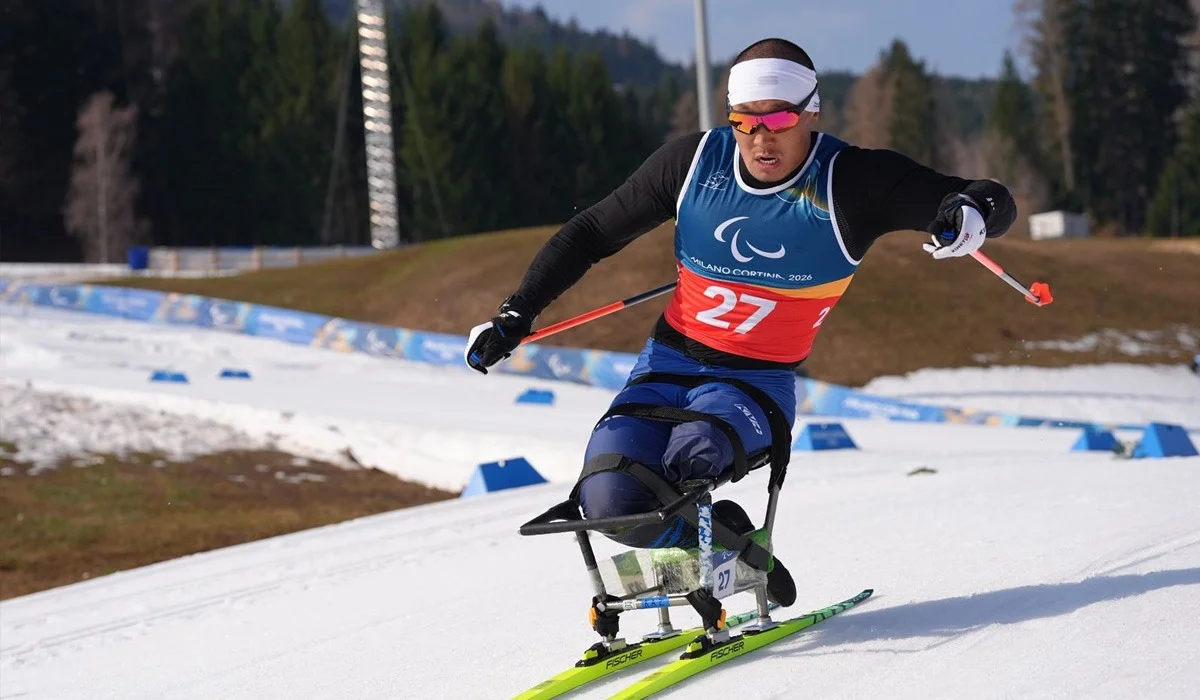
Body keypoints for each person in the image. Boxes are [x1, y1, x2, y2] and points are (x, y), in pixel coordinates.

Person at [465, 38, 1016, 607]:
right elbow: (590, 233)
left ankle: (715, 550)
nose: (761, 137)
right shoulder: (692, 164)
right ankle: (727, 547)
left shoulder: (853, 181)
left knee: (692, 457)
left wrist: (969, 213)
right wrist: (516, 312)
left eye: (778, 118)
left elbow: (988, 197)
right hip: (666, 364)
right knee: (607, 496)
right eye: (743, 121)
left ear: (810, 111)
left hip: (757, 381)